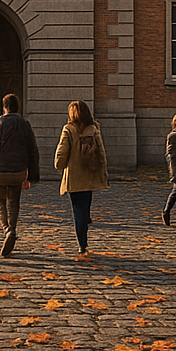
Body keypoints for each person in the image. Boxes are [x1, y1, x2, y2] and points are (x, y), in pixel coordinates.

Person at [0, 93, 40, 257]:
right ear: (18, 107)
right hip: (18, 172)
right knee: (14, 201)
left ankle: (6, 230)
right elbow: (32, 150)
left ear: (4, 107)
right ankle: (13, 229)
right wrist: (32, 175)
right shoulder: (25, 124)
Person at [53, 100, 109, 254]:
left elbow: (61, 152)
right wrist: (103, 171)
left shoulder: (68, 130)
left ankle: (82, 243)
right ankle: (85, 219)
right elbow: (102, 152)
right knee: (85, 203)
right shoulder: (93, 129)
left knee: (77, 208)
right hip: (89, 174)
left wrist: (58, 166)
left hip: (74, 176)